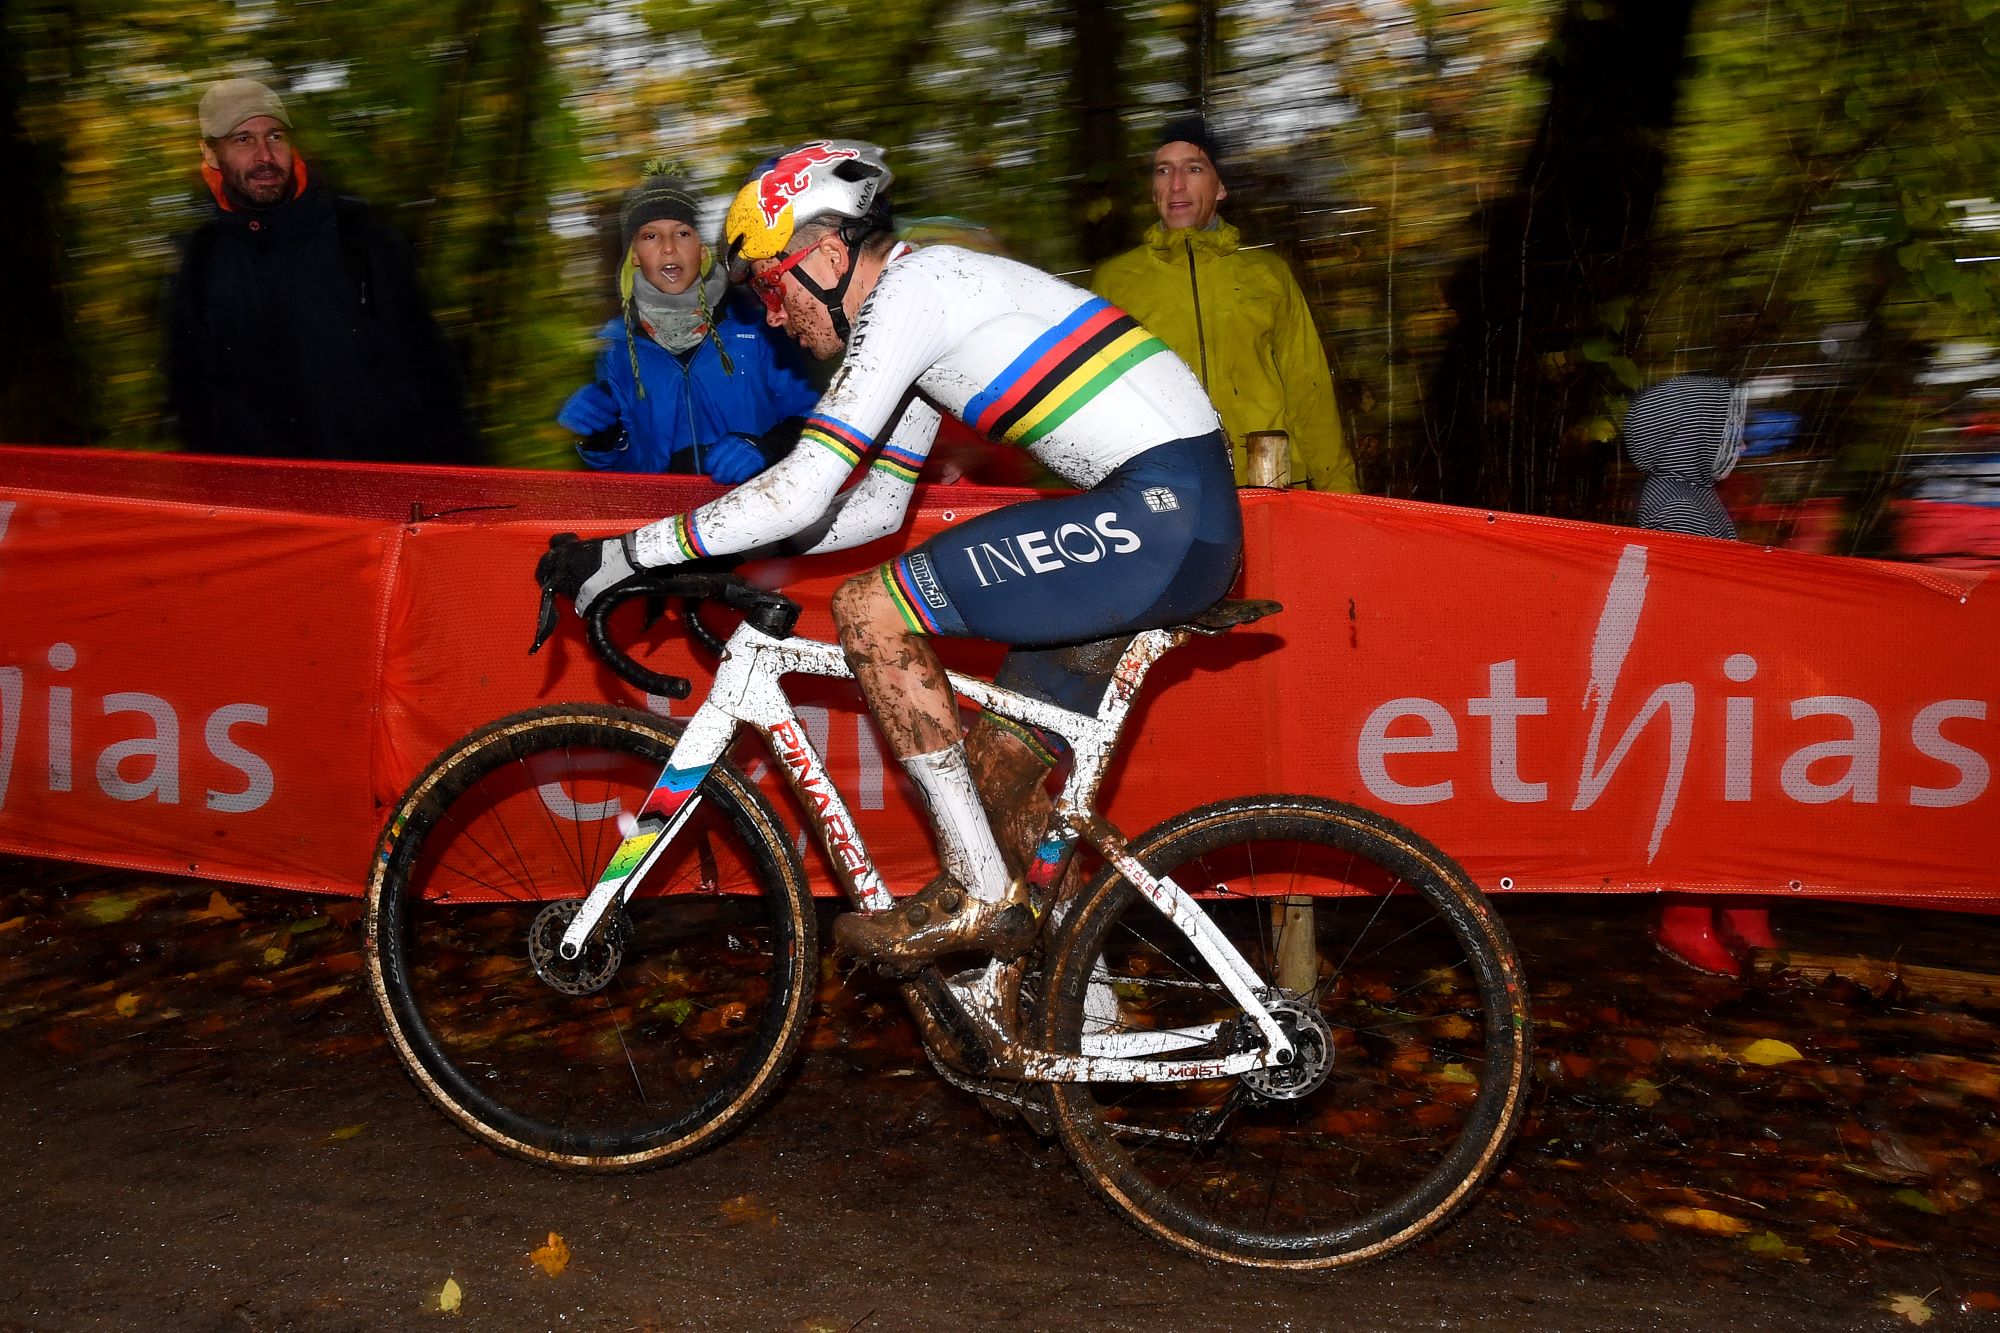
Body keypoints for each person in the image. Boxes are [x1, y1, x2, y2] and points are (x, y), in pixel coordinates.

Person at [537, 139, 1241, 976]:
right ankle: (1070, 1029)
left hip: (1160, 515)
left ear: (830, 253)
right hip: (1171, 521)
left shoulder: (916, 290)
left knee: (871, 609)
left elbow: (804, 485)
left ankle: (976, 890)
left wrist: (631, 552)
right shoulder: (915, 316)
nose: (769, 313)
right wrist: (711, 562)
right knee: (995, 782)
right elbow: (872, 509)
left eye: (770, 283)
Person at [165, 78, 479, 464]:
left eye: (275, 136)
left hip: (384, 500)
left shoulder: (361, 236)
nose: (265, 156)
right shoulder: (201, 263)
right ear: (211, 154)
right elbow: (196, 412)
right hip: (276, 513)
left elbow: (435, 377)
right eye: (242, 140)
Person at [1091, 115, 1357, 494]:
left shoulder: (1267, 274)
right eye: (1164, 171)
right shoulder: (1115, 281)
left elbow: (1308, 389)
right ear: (1153, 190)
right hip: (1166, 491)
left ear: (1220, 187)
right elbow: (1099, 402)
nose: (1177, 184)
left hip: (1270, 483)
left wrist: (1339, 492)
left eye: (1194, 168)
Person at [1623, 373, 1783, 978]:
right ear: (1686, 437)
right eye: (1723, 430)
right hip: (1695, 673)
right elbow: (1693, 597)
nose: (1737, 445)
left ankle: (1743, 905)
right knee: (1705, 796)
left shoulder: (1695, 497)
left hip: (1716, 668)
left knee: (1738, 789)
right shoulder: (1677, 505)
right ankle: (1686, 918)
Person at [556, 162, 818, 480]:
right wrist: (606, 438)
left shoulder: (761, 325)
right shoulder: (618, 353)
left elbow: (819, 418)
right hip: (668, 525)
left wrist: (769, 448)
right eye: (650, 236)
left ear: (701, 249)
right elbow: (628, 477)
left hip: (763, 516)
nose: (668, 247)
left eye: (682, 233)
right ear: (635, 255)